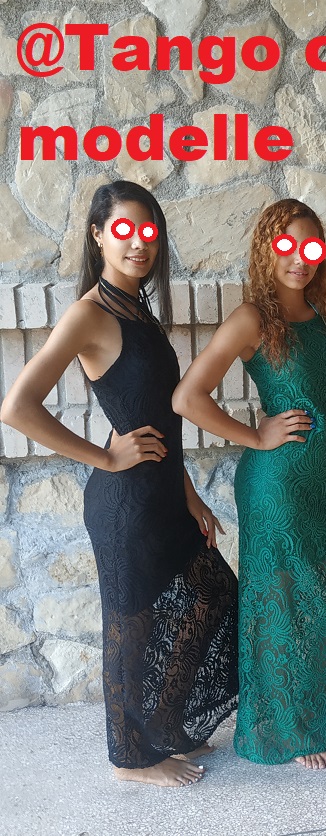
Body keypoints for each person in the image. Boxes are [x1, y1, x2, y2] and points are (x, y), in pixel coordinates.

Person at [0, 181, 238, 787]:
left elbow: (157, 416)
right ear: (98, 236)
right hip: (125, 504)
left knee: (213, 593)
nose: (139, 244)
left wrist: (189, 495)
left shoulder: (137, 309)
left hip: (162, 496)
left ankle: (161, 726)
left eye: (148, 232)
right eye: (124, 231)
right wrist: (104, 458)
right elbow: (17, 407)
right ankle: (130, 759)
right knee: (129, 629)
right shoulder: (90, 314)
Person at [172, 198, 326, 769]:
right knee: (282, 608)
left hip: (323, 485)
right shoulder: (252, 319)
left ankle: (322, 710)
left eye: (311, 247)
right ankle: (290, 732)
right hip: (277, 487)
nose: (299, 259)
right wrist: (255, 435)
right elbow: (187, 397)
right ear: (268, 249)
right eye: (287, 245)